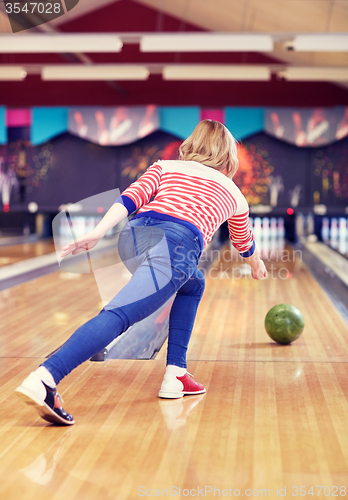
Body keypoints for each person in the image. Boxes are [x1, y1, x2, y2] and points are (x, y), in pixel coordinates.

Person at [16, 120, 267, 426]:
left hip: (133, 239)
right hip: (175, 250)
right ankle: (45, 378)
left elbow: (129, 199)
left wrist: (96, 233)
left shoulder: (165, 167)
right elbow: (243, 240)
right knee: (119, 316)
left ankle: (176, 374)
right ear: (229, 156)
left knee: (193, 284)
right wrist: (255, 263)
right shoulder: (234, 194)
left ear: (191, 144)